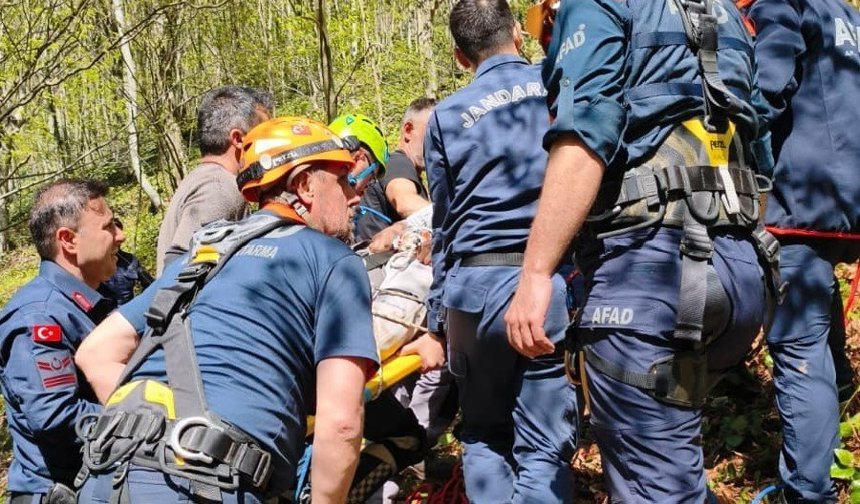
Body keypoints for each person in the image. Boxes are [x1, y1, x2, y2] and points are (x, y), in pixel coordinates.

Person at [505, 0, 778, 502]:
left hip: (650, 278)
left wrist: (535, 272)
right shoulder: (725, 13)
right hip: (742, 275)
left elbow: (584, 136)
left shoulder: (599, 6)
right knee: (672, 463)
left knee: (656, 485)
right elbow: (759, 151)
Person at [74, 117, 379, 504]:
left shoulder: (204, 252)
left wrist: (155, 429)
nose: (355, 195)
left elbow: (96, 352)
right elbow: (342, 423)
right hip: (208, 485)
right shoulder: (332, 261)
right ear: (304, 185)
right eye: (342, 180)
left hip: (107, 474)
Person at [424, 1, 578, 502]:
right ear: (517, 31)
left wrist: (436, 319)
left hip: (471, 293)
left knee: (483, 432)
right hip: (545, 285)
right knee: (543, 445)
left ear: (459, 57)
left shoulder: (445, 118)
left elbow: (444, 224)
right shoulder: (560, 86)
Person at [741, 1, 860, 501]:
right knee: (816, 312)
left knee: (797, 347)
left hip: (798, 202)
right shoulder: (846, 14)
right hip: (842, 200)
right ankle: (835, 436)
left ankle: (808, 491)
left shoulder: (782, 3)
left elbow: (765, 88)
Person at [0, 179, 125, 503]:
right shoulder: (39, 318)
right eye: (108, 227)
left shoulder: (96, 299)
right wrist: (145, 417)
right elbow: (55, 417)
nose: (120, 236)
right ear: (68, 240)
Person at [156, 85, 274, 275]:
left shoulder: (201, 178)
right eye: (264, 134)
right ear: (238, 138)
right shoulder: (219, 188)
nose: (270, 144)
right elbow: (180, 271)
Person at [356, 98, 435, 241]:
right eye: (432, 133)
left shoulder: (408, 169)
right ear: (408, 130)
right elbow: (405, 203)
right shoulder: (397, 162)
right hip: (377, 259)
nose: (439, 141)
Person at [99, 218, 154, 305]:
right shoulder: (96, 261)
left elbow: (150, 284)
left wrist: (139, 304)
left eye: (118, 234)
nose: (117, 239)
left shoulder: (130, 260)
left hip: (127, 313)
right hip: (101, 315)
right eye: (112, 235)